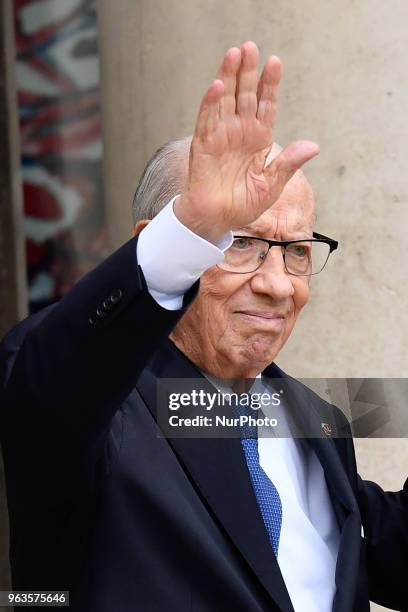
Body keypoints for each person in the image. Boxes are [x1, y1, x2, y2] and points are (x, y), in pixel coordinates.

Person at [0, 41, 406, 612]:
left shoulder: (318, 421)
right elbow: (57, 374)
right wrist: (191, 228)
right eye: (241, 243)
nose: (279, 283)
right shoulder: (102, 412)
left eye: (297, 251)